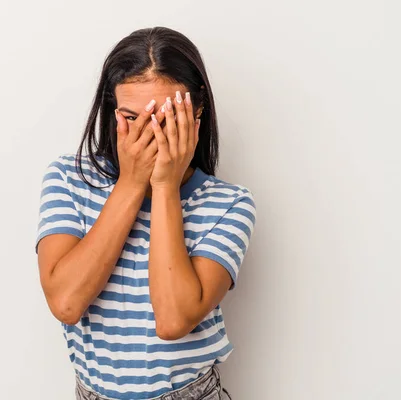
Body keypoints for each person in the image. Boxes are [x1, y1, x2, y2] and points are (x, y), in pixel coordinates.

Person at [35, 26, 256, 400]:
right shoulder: (69, 179)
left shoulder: (228, 204)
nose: (150, 134)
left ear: (197, 111)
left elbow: (172, 320)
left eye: (166, 116)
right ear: (112, 112)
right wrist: (132, 184)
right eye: (133, 117)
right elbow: (66, 303)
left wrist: (165, 186)